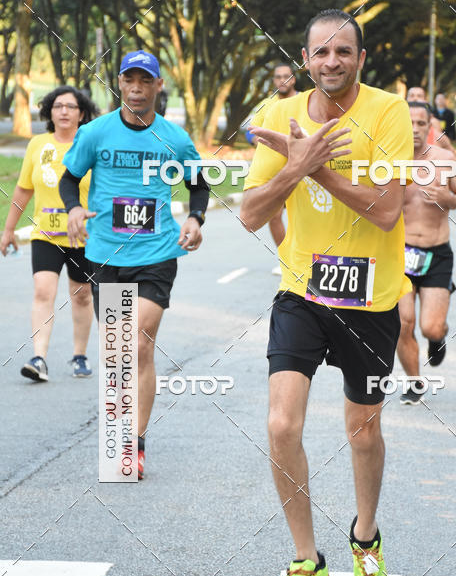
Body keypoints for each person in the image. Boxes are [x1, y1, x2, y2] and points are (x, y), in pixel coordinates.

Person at [242, 9, 413, 576]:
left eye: (344, 52)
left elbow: (388, 210)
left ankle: (365, 538)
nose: (331, 62)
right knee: (281, 423)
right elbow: (249, 214)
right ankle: (306, 563)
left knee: (362, 430)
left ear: (360, 59)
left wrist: (316, 166)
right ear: (305, 59)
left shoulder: (388, 113)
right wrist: (294, 162)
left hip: (370, 301)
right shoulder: (277, 117)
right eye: (320, 53)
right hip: (302, 292)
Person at [59, 50, 209, 480]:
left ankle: (133, 442)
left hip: (157, 253)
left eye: (146, 81)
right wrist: (72, 208)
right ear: (120, 84)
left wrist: (195, 219)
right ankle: (119, 433)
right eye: (130, 80)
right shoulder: (95, 133)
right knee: (117, 351)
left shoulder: (175, 139)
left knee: (138, 342)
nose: (137, 88)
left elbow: (198, 184)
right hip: (106, 253)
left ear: (159, 86)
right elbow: (70, 176)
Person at [1, 86, 97, 382]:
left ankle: (79, 355)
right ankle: (39, 357)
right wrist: (8, 229)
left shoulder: (91, 144)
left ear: (82, 114)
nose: (64, 111)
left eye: (71, 106)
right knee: (43, 290)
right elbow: (23, 189)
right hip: (46, 233)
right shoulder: (37, 145)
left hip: (85, 236)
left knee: (81, 296)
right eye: (58, 106)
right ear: (49, 112)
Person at [396, 102, 456, 404]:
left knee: (430, 326)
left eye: (421, 123)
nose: (414, 129)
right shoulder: (387, 161)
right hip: (399, 253)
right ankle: (414, 382)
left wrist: (446, 198)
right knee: (403, 323)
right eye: (409, 122)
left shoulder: (445, 159)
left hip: (436, 252)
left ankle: (438, 337)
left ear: (429, 127)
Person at [246, 64, 298, 273]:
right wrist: (261, 139)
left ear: (293, 79)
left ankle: (307, 259)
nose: (282, 80)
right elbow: (250, 131)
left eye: (286, 76)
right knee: (275, 216)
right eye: (278, 77)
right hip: (275, 173)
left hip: (305, 172)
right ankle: (287, 262)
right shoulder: (267, 104)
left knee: (303, 218)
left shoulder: (307, 100)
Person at [406, 86, 456, 156]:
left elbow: (441, 143)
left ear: (425, 100)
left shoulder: (434, 122)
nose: (415, 98)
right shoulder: (397, 119)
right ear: (406, 99)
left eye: (419, 96)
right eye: (412, 96)